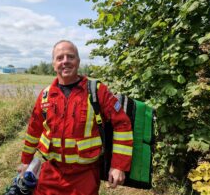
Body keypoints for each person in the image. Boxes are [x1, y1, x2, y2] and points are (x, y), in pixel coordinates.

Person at [18, 40, 133, 195]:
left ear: (78, 62)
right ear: (54, 64)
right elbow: (33, 130)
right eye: (60, 58)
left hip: (85, 176)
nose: (65, 61)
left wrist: (118, 166)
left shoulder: (97, 91)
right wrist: (26, 161)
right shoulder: (45, 96)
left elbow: (122, 125)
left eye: (70, 57)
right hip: (52, 171)